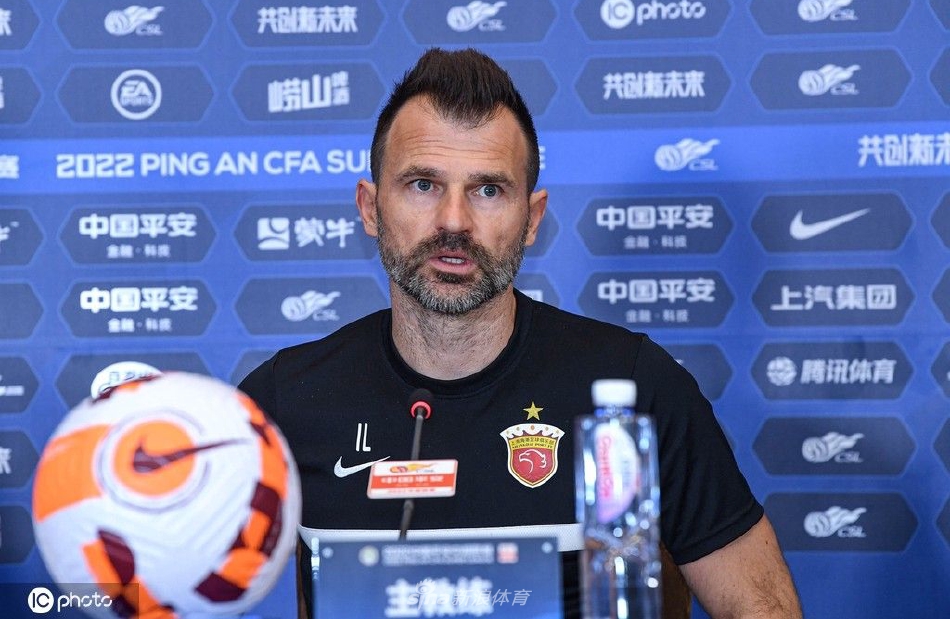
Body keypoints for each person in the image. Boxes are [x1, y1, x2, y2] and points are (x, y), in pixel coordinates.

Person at [239, 47, 802, 619]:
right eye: (423, 184)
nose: (454, 221)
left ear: (532, 219)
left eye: (488, 190)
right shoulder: (284, 401)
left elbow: (762, 607)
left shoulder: (631, 388)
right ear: (369, 208)